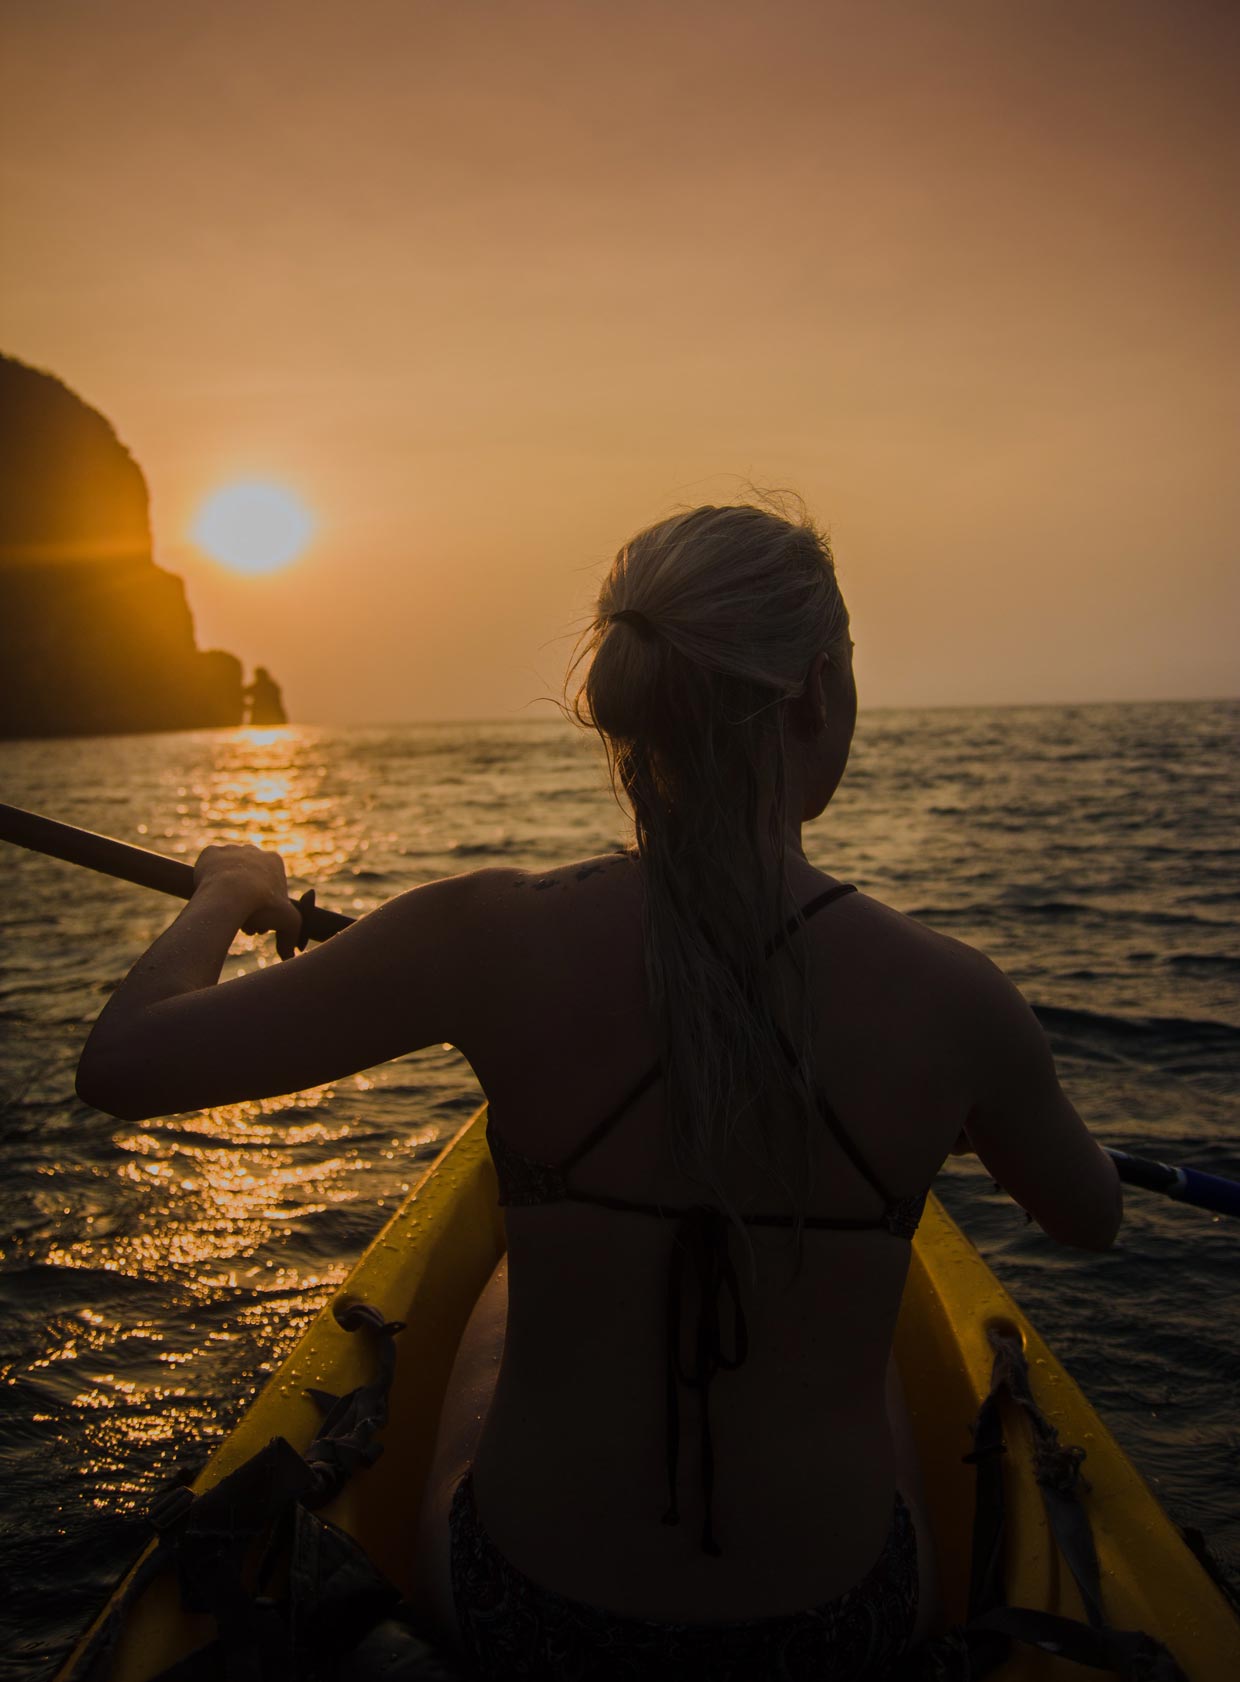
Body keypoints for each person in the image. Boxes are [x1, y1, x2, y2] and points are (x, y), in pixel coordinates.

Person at [77, 502, 1123, 1680]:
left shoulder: (487, 936)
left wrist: (226, 888)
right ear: (816, 696)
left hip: (535, 1617)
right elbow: (1090, 1215)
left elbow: (125, 1062)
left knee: (510, 1283)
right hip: (835, 1626)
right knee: (865, 1339)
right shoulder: (954, 998)